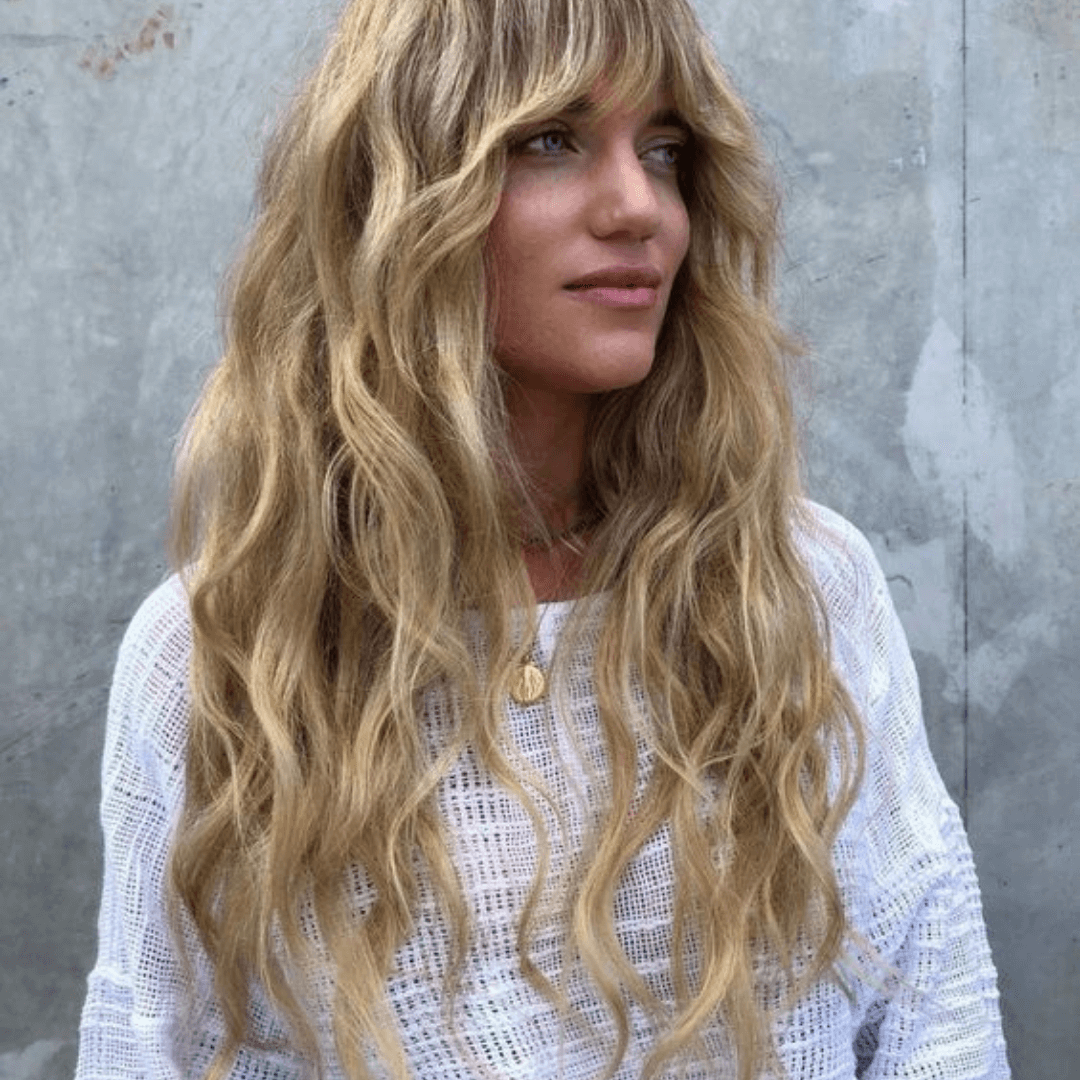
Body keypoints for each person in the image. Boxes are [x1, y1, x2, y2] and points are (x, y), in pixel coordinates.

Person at [76, 0, 1010, 1077]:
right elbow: (164, 1049)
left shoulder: (798, 590)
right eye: (551, 141)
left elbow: (936, 1017)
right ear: (397, 198)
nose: (639, 208)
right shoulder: (225, 652)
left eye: (662, 151)